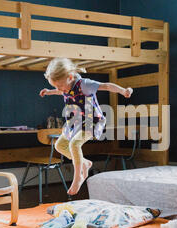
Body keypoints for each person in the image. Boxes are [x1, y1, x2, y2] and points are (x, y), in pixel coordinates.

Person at [40, 58, 133, 195]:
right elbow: (62, 91)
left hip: (91, 120)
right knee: (59, 145)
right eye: (55, 87)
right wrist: (50, 91)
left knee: (74, 144)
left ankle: (78, 177)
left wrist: (123, 90)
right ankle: (84, 163)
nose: (59, 89)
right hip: (76, 122)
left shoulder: (85, 85)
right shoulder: (66, 86)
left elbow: (106, 86)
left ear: (70, 77)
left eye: (59, 86)